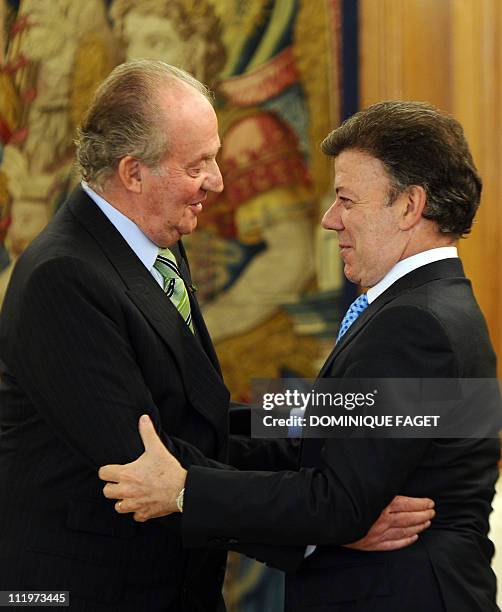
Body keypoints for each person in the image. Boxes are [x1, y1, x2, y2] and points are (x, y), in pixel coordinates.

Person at [0, 61, 431, 612]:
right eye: (198, 164)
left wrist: (325, 424)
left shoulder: (153, 243)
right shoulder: (62, 278)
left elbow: (204, 418)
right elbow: (144, 462)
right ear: (134, 173)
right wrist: (323, 522)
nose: (218, 181)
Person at [100, 100, 500, 611]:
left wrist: (185, 491)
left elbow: (338, 504)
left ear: (409, 205)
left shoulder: (413, 324)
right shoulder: (439, 304)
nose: (331, 220)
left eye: (347, 199)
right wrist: (206, 422)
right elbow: (333, 422)